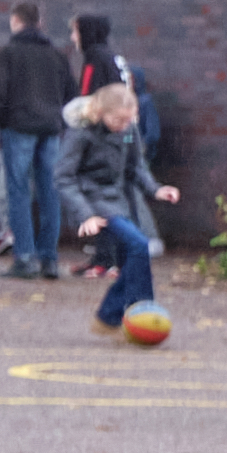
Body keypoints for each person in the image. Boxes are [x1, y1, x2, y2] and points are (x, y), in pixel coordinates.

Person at [65, 73, 162, 326]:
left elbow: (136, 166)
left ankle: (109, 316)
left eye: (128, 120)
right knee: (140, 245)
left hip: (118, 201)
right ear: (100, 112)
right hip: (95, 202)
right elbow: (63, 178)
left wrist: (155, 189)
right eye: (118, 120)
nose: (123, 125)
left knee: (130, 259)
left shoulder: (128, 130)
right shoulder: (81, 134)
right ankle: (143, 310)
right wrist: (85, 215)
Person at [0, 9, 76, 277]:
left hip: (19, 127)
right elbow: (71, 92)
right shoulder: (57, 55)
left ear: (15, 20)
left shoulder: (8, 53)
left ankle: (25, 257)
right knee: (50, 191)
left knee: (18, 191)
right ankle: (49, 258)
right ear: (40, 23)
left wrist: (3, 121)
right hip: (50, 128)